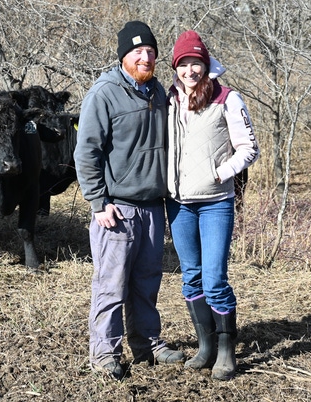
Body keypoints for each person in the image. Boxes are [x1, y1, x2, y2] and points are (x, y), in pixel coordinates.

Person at [74, 20, 184, 381]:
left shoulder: (159, 93)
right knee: (111, 284)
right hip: (117, 210)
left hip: (153, 206)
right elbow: (86, 153)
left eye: (150, 52)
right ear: (123, 56)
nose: (145, 57)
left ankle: (147, 343)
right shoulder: (103, 94)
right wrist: (97, 201)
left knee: (147, 280)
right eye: (137, 51)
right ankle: (104, 351)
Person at [165, 30, 260, 380]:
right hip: (178, 204)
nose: (190, 70)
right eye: (183, 64)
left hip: (215, 203)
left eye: (196, 63)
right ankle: (204, 346)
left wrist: (222, 173)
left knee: (215, 278)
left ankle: (225, 349)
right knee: (190, 277)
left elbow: (249, 148)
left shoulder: (227, 98)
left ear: (206, 64)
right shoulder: (169, 99)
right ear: (175, 67)